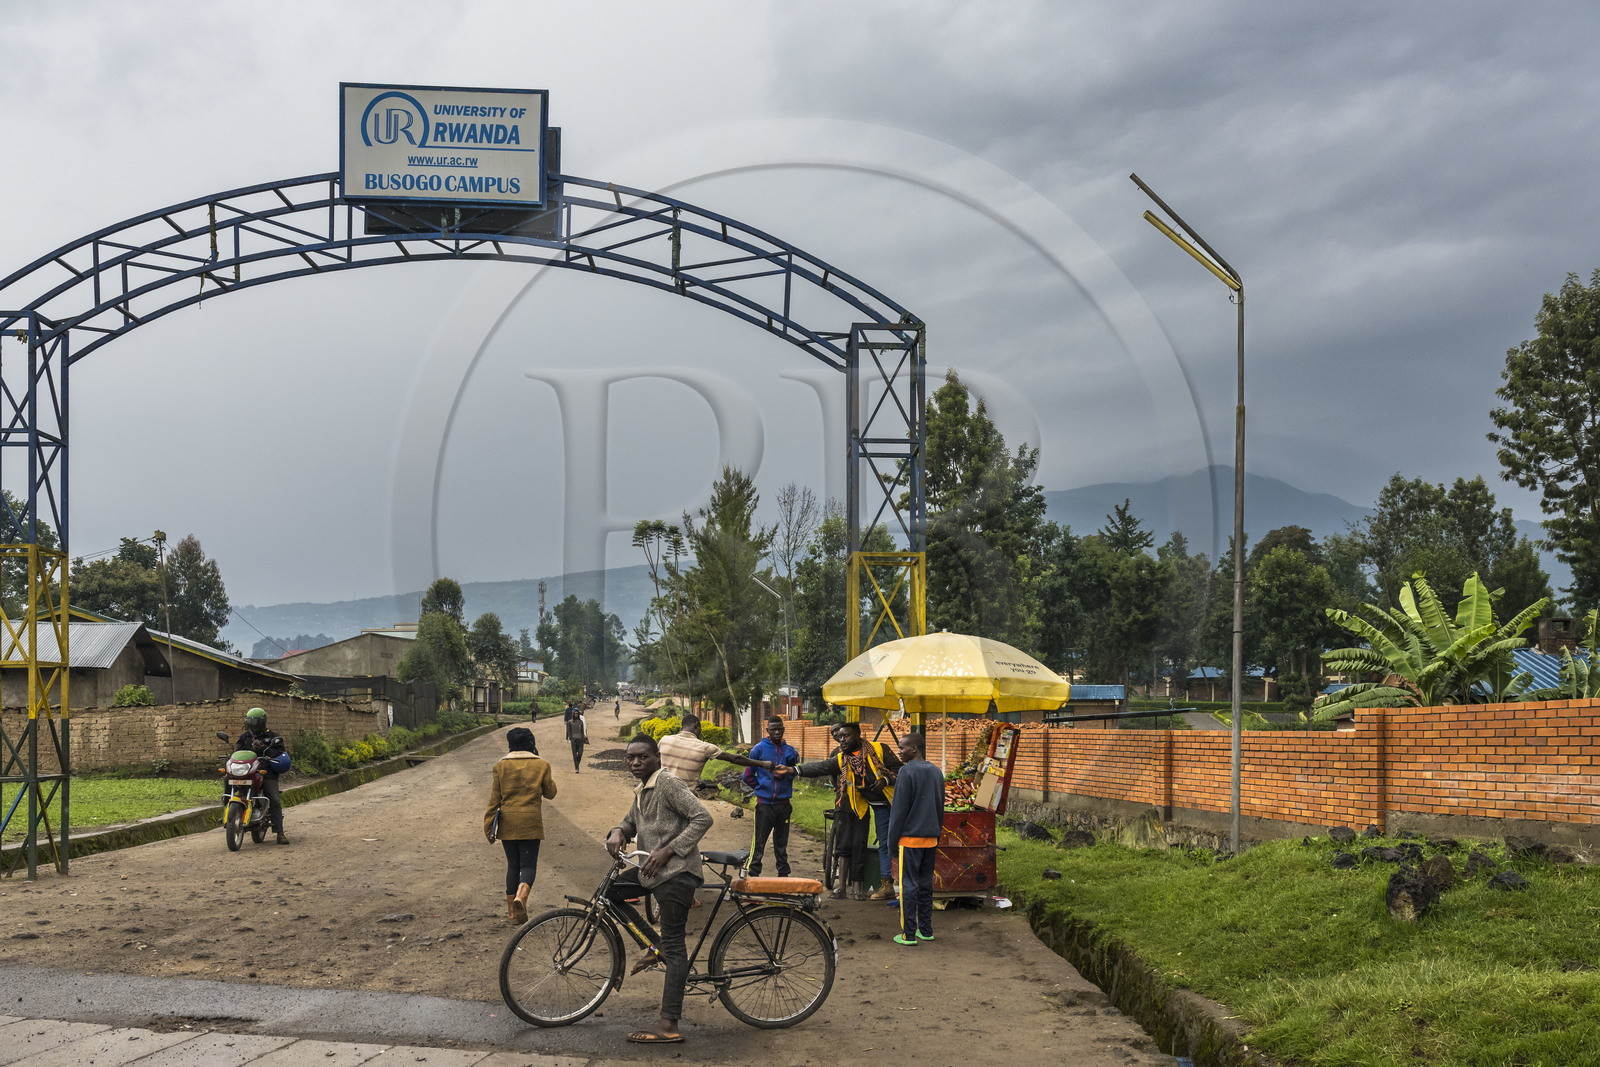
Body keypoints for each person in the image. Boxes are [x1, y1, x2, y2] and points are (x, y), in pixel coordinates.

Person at [605, 734, 714, 1046]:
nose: (636, 762)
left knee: (677, 947)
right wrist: (618, 831)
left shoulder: (667, 783)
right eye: (631, 758)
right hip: (652, 872)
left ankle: (669, 1025)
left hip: (677, 873)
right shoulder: (644, 788)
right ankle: (656, 945)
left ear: (657, 758)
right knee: (611, 892)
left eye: (643, 757)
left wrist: (669, 850)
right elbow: (630, 822)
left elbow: (703, 818)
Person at [796, 721, 902, 900]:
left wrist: (885, 780)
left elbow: (899, 769)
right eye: (839, 736)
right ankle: (887, 884)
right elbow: (821, 767)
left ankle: (908, 883)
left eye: (845, 735)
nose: (841, 739)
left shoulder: (879, 749)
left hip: (895, 803)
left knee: (904, 842)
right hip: (874, 806)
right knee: (885, 843)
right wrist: (795, 770)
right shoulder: (841, 757)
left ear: (858, 735)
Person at [483, 726, 557, 924]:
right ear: (531, 743)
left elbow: (494, 800)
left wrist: (489, 826)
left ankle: (513, 915)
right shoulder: (542, 765)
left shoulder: (500, 766)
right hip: (530, 822)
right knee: (528, 865)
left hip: (508, 823)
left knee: (513, 866)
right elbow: (550, 793)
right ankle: (521, 898)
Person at [886, 731, 944, 945]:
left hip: (910, 840)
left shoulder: (906, 771)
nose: (899, 752)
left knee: (908, 886)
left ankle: (908, 934)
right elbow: (940, 806)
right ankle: (926, 930)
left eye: (902, 748)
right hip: (931, 838)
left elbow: (898, 811)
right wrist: (937, 832)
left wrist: (891, 843)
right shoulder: (936, 771)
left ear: (914, 748)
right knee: (925, 885)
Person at [743, 716, 800, 876]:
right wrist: (761, 788)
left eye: (779, 729)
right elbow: (747, 776)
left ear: (783, 730)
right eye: (773, 729)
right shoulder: (758, 750)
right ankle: (753, 875)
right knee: (759, 842)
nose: (776, 732)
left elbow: (793, 773)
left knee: (781, 843)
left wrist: (787, 774)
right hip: (764, 805)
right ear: (767, 731)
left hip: (784, 805)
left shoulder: (790, 750)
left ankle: (783, 875)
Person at [657, 713, 772, 785]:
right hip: (685, 798)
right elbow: (735, 759)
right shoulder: (705, 747)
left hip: (662, 793)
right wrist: (762, 764)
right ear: (696, 725)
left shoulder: (664, 740)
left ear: (682, 727)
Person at [237, 707, 290, 845]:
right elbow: (237, 753)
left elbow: (280, 753)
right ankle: (229, 809)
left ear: (263, 723)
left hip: (266, 772)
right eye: (251, 723)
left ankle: (280, 833)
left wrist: (265, 749)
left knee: (274, 799)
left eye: (257, 723)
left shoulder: (272, 737)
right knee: (227, 780)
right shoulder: (244, 737)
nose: (254, 727)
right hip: (247, 772)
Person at [564, 701, 587, 773]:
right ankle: (576, 767)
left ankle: (577, 764)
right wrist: (570, 738)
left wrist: (583, 738)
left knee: (580, 754)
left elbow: (583, 731)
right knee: (574, 754)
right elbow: (569, 731)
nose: (576, 715)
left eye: (577, 713)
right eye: (575, 713)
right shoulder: (570, 722)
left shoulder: (581, 722)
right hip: (573, 740)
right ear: (573, 714)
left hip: (580, 740)